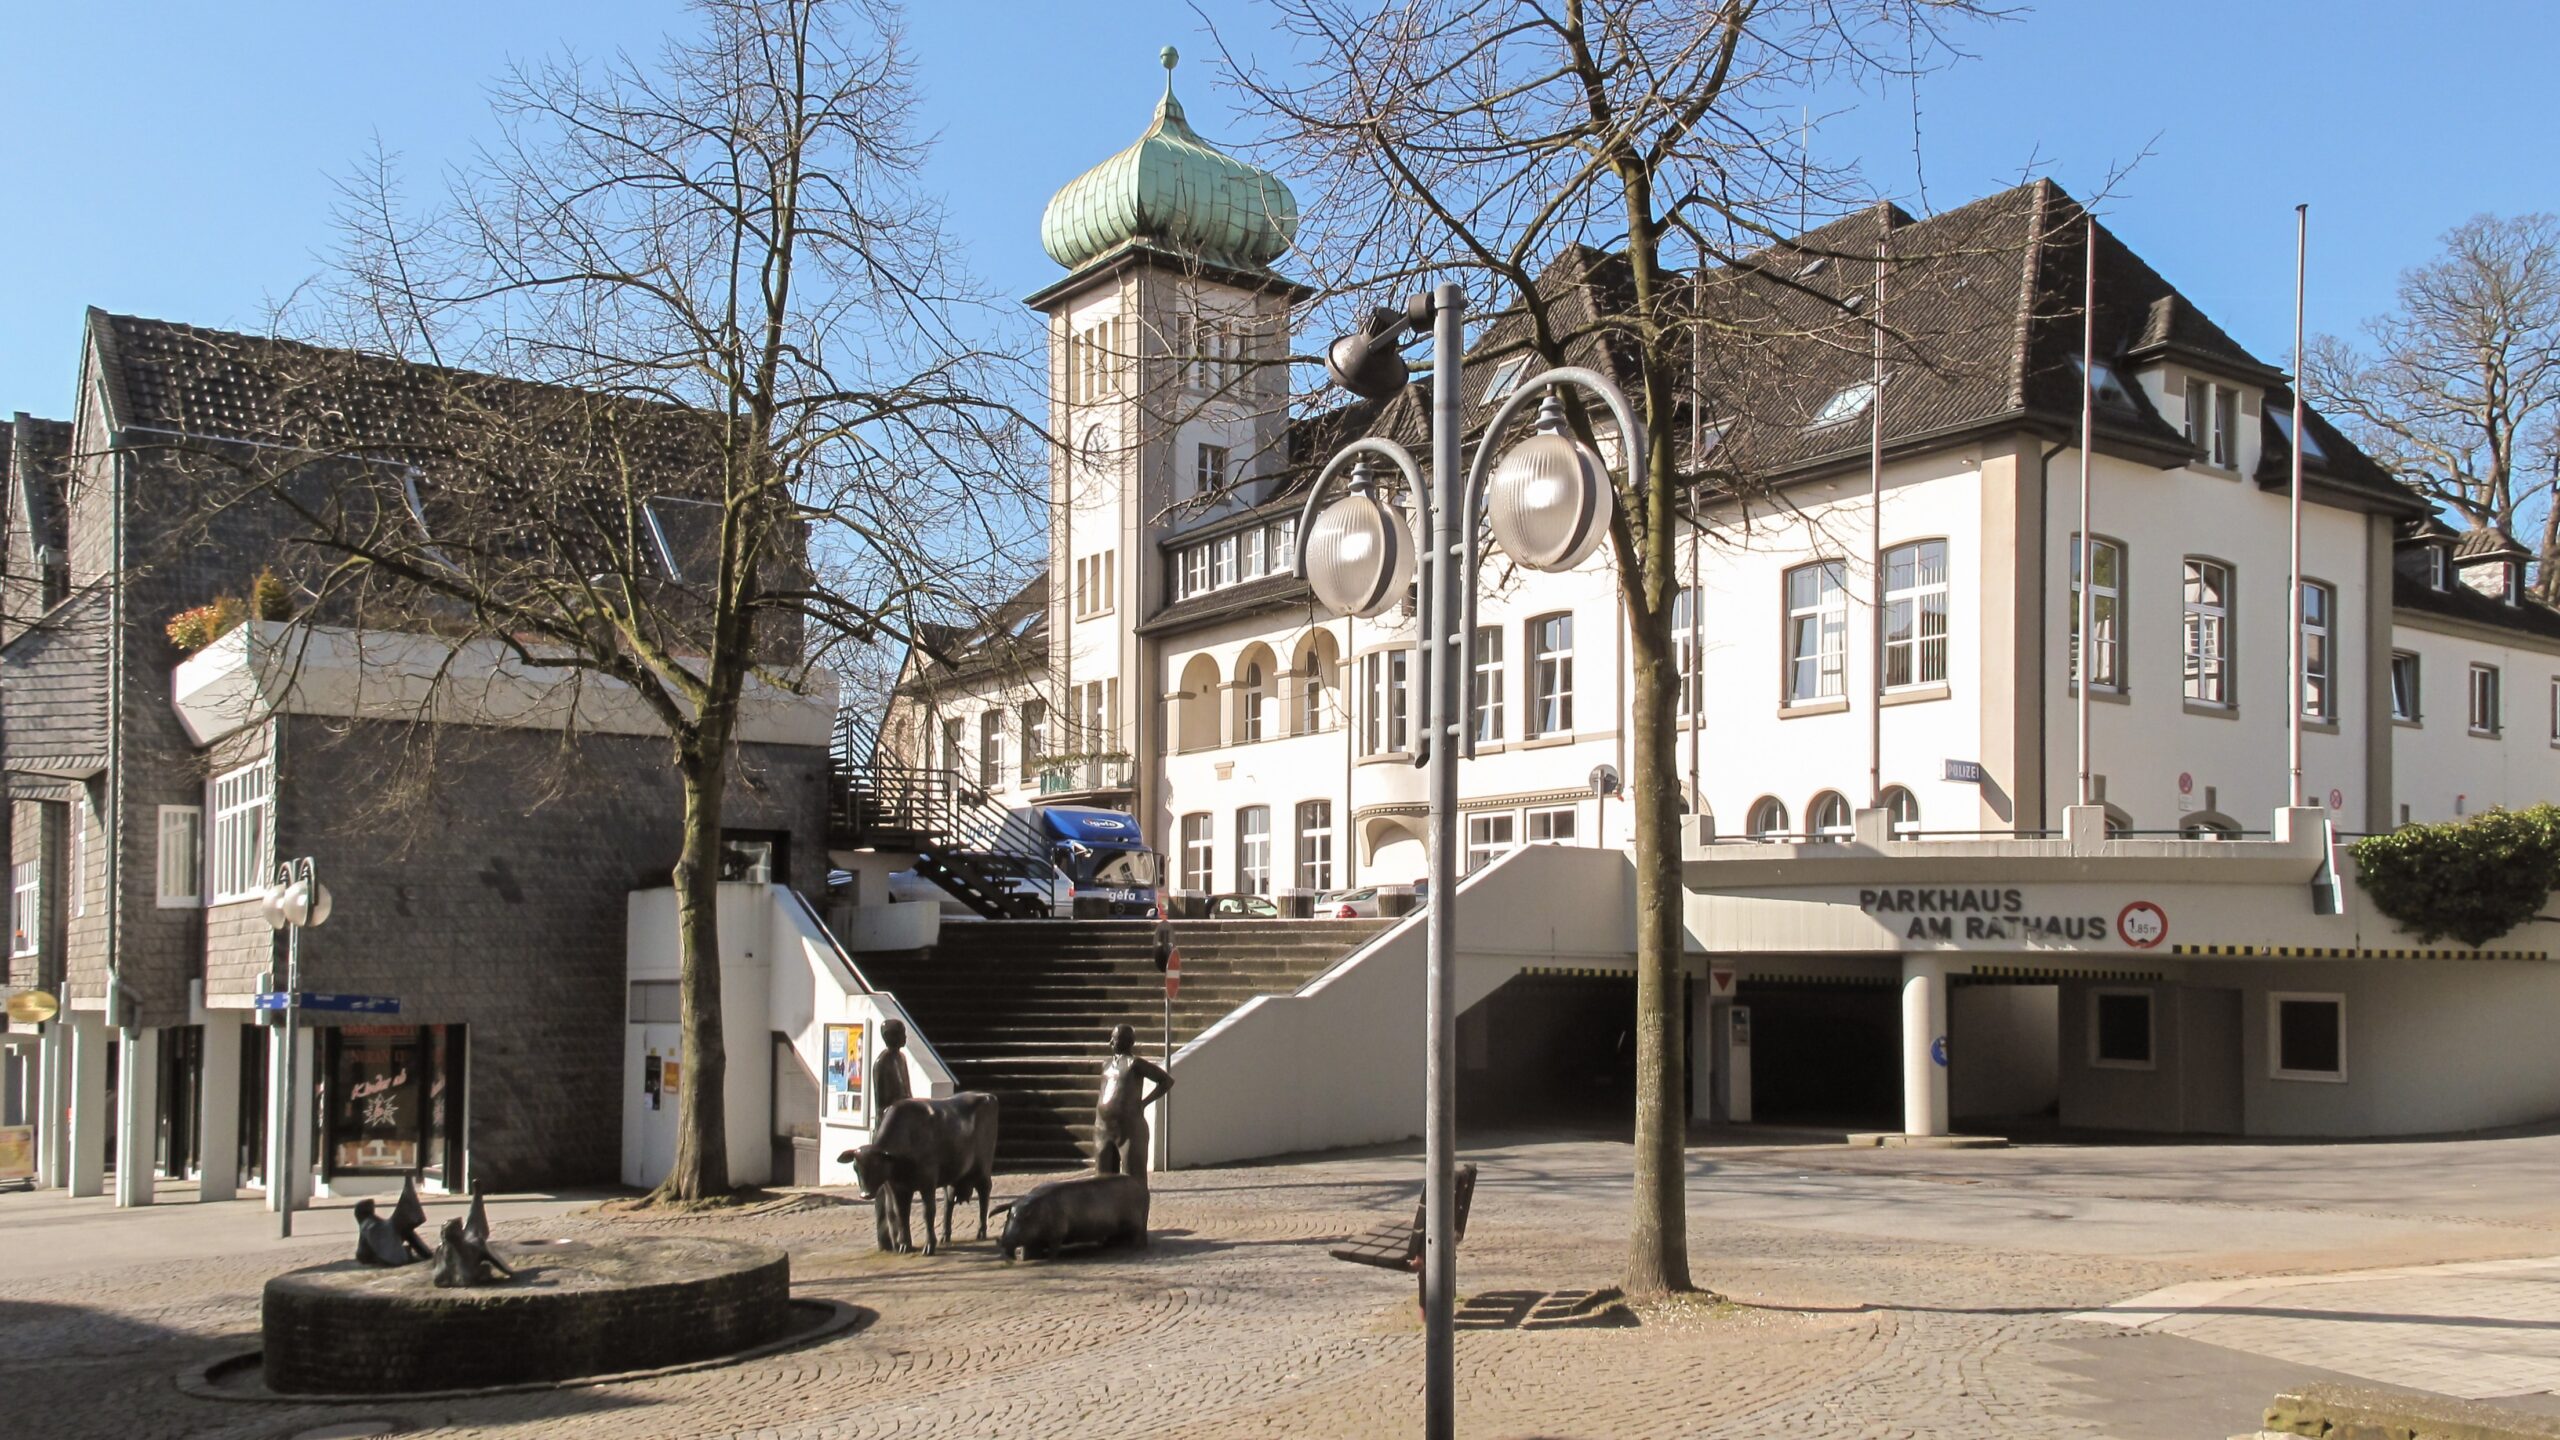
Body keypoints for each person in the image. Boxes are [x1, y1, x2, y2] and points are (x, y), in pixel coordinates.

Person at [1092, 1023, 1172, 1180]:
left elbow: (1166, 1081)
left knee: (1133, 1177)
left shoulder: (1135, 1064)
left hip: (1129, 1128)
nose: (1110, 1043)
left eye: (1114, 1039)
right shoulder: (1106, 1064)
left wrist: (1144, 1102)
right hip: (1103, 1128)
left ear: (1126, 1041)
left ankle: (1136, 1204)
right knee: (1103, 1179)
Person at [869, 1019, 912, 1251]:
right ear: (891, 1036)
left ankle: (900, 1236)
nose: (905, 1037)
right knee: (887, 1188)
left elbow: (907, 1092)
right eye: (901, 1033)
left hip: (902, 1125)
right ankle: (889, 1239)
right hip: (888, 1129)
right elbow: (880, 1104)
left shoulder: (901, 1059)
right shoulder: (882, 1063)